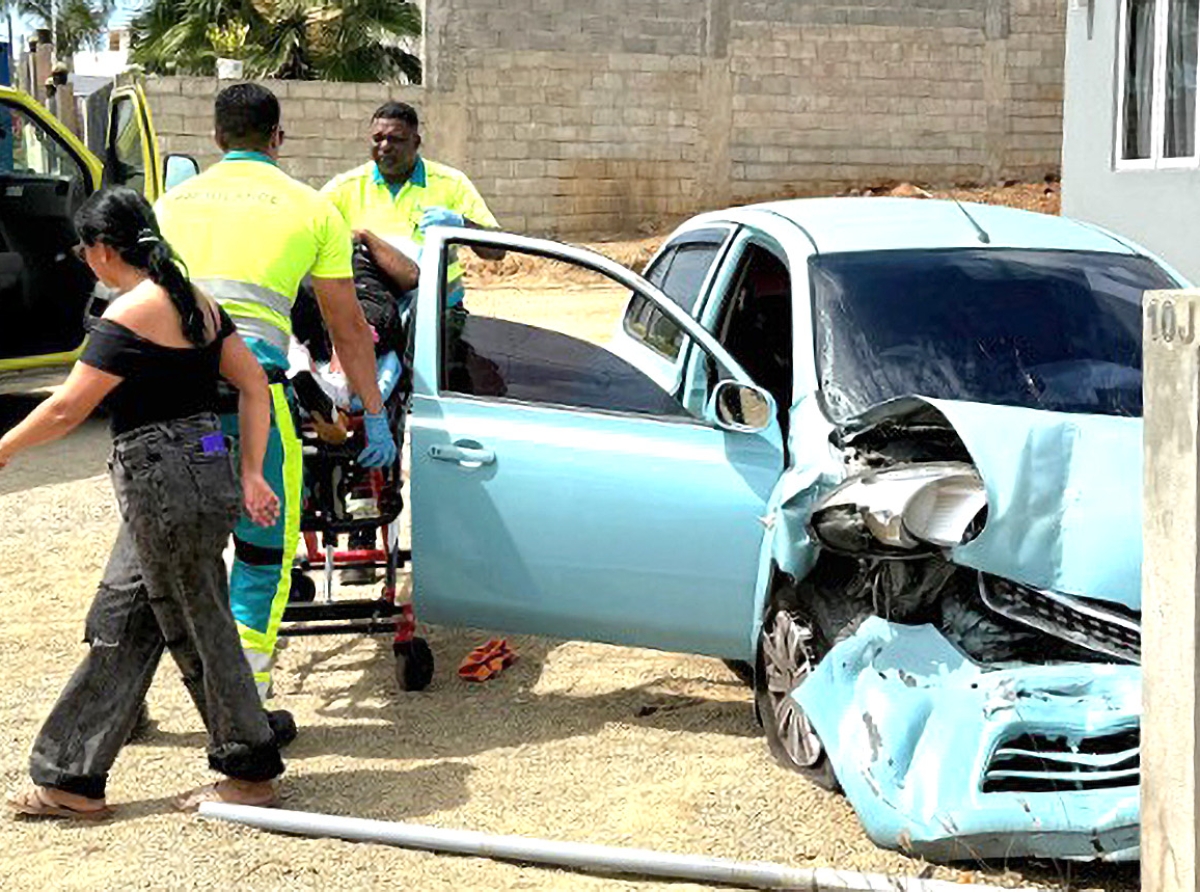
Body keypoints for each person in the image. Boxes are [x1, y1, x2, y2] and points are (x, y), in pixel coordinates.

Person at [1, 187, 284, 818]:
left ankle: (251, 768)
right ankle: (71, 776)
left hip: (165, 486)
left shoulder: (132, 311)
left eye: (84, 249)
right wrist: (250, 472)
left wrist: (5, 448)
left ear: (103, 249)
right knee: (122, 618)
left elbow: (68, 405)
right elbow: (253, 383)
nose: (85, 259)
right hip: (198, 472)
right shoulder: (197, 302)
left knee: (200, 623)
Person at [155, 83, 397, 703]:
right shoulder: (313, 209)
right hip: (251, 409)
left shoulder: (170, 204)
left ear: (215, 138)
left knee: (162, 559)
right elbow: (346, 328)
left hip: (175, 414)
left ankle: (129, 703)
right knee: (262, 555)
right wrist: (373, 413)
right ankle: (245, 698)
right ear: (278, 137)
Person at [321, 100, 503, 307]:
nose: (385, 147)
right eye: (377, 139)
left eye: (395, 139)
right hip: (370, 309)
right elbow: (307, 230)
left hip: (438, 312)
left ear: (416, 142)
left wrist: (462, 225)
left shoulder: (452, 184)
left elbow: (497, 251)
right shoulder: (345, 187)